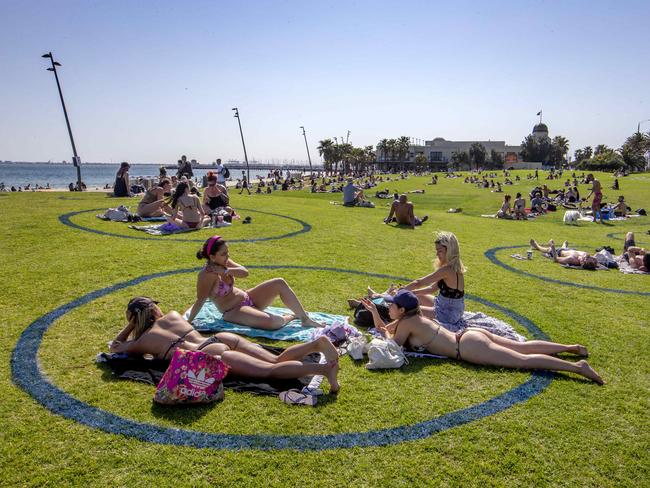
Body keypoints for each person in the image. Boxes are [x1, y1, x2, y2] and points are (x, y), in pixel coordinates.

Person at [360, 290, 603, 384]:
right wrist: (374, 312)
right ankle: (571, 347)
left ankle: (578, 367)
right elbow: (387, 329)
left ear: (401, 310)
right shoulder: (414, 317)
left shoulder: (407, 324)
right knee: (524, 347)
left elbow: (391, 344)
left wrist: (378, 322)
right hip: (469, 334)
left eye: (391, 305)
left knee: (522, 360)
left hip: (467, 347)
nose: (388, 307)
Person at [110, 297, 340, 393]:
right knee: (275, 360)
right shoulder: (171, 315)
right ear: (154, 309)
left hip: (208, 353)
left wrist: (131, 326)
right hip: (222, 338)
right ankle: (316, 344)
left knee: (269, 372)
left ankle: (322, 369)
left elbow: (116, 346)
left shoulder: (143, 341)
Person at [187, 236, 324, 329]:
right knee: (273, 323)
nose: (227, 256)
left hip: (248, 298)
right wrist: (188, 322)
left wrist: (225, 270)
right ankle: (291, 316)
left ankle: (305, 319)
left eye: (228, 253)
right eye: (224, 254)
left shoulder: (224, 262)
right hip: (233, 311)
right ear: (212, 256)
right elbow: (200, 301)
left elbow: (244, 272)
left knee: (279, 282)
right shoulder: (206, 276)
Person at [529, 239, 599, 270]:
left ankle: (536, 245)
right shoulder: (589, 258)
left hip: (559, 251)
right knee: (566, 246)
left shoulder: (572, 259)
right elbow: (594, 260)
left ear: (582, 263)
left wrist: (552, 246)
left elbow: (556, 259)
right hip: (569, 250)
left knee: (545, 249)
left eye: (583, 260)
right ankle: (564, 246)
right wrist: (590, 257)